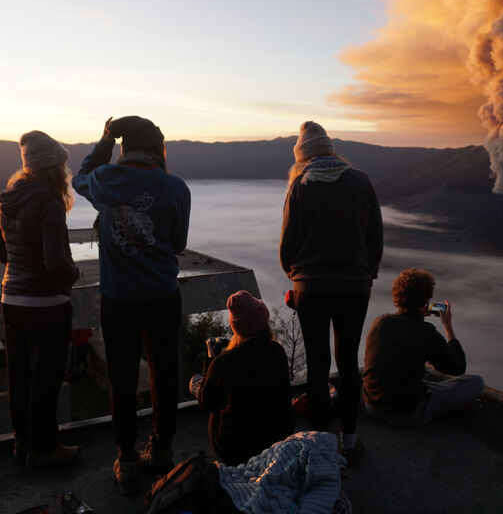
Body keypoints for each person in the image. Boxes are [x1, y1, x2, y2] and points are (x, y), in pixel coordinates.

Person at [71, 116, 190, 496]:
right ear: (159, 148)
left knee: (121, 378)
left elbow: (79, 177)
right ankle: (164, 447)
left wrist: (104, 140)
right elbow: (177, 243)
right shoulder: (176, 188)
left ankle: (126, 457)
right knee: (164, 371)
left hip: (118, 298)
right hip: (161, 295)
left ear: (124, 147)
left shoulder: (105, 181)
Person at [279, 121, 383, 464]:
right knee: (348, 364)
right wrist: (367, 274)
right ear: (331, 150)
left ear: (303, 157)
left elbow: (287, 246)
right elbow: (375, 239)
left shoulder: (299, 186)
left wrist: (298, 276)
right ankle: (350, 441)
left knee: (318, 365)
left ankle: (320, 448)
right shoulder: (361, 181)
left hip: (311, 288)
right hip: (354, 288)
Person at [0, 130, 81, 468]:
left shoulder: (8, 198)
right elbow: (55, 263)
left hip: (11, 301)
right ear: (54, 169)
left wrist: (21, 270)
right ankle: (45, 449)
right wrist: (73, 274)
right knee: (45, 379)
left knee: (20, 376)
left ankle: (23, 444)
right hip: (46, 305)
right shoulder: (49, 203)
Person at [362, 269, 484, 427]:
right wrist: (448, 327)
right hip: (408, 414)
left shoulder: (380, 322)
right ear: (426, 300)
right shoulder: (425, 331)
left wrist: (417, 314)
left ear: (397, 296)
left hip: (372, 407)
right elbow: (457, 368)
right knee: (475, 382)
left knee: (422, 379)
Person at [189, 290, 293, 465]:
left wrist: (210, 359)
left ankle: (197, 384)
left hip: (235, 450)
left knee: (197, 384)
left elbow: (206, 403)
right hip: (278, 443)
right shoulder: (277, 350)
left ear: (236, 328)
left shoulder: (223, 361)